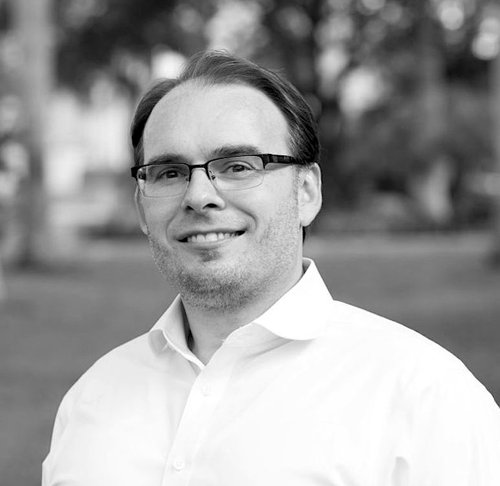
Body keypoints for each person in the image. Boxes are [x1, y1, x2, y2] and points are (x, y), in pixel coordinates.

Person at [42, 51, 500, 486]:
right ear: (142, 207)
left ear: (307, 192)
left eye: (239, 165)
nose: (199, 195)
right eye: (168, 172)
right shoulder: (92, 400)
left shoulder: (423, 398)